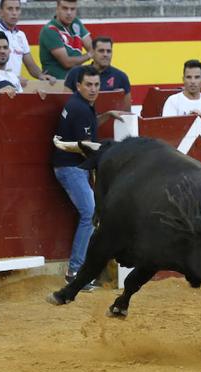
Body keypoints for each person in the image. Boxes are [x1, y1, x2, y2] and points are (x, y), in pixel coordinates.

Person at [51, 65, 127, 290]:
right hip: (71, 168)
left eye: (96, 85)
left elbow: (89, 130)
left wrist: (107, 115)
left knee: (92, 214)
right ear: (78, 85)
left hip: (74, 167)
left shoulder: (80, 104)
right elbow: (87, 146)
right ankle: (75, 271)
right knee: (90, 213)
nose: (93, 89)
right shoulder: (81, 108)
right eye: (89, 85)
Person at [0, 0, 56, 86]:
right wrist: (12, 78)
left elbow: (30, 64)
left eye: (17, 9)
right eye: (10, 9)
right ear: (0, 12)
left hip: (15, 85)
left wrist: (41, 75)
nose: (14, 13)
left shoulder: (21, 35)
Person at [64, 36, 131, 111]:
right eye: (101, 51)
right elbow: (65, 106)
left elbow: (127, 112)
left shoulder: (121, 77)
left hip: (111, 121)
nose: (105, 54)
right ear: (92, 52)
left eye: (109, 51)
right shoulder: (75, 73)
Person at [39, 0, 92, 79]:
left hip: (76, 82)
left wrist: (93, 53)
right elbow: (67, 63)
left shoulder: (76, 23)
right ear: (57, 8)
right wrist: (89, 55)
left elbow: (91, 47)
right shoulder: (50, 30)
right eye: (65, 8)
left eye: (72, 9)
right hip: (56, 85)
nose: (69, 13)